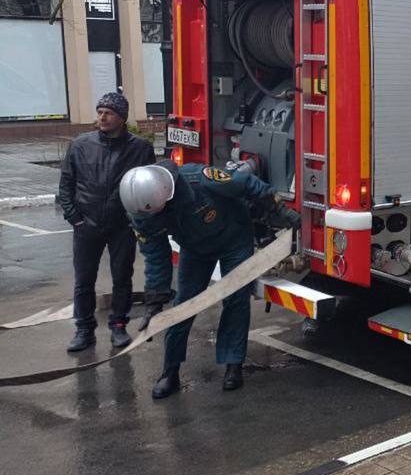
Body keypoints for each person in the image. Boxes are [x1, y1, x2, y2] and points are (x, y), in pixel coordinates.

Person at [119, 160, 300, 399]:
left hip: (233, 238)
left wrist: (282, 213)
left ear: (166, 194)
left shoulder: (200, 179)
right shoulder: (143, 214)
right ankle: (170, 372)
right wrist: (154, 301)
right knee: (183, 306)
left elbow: (247, 183)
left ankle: (233, 364)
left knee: (236, 299)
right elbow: (155, 257)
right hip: (194, 249)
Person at [56, 92, 155, 353]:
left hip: (122, 225)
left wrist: (137, 220)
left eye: (108, 112)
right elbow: (66, 185)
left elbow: (148, 188)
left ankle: (119, 325)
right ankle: (84, 329)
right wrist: (74, 218)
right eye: (100, 111)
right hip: (86, 225)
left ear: (121, 118)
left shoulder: (140, 149)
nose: (102, 116)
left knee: (122, 277)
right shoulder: (80, 145)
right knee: (84, 280)